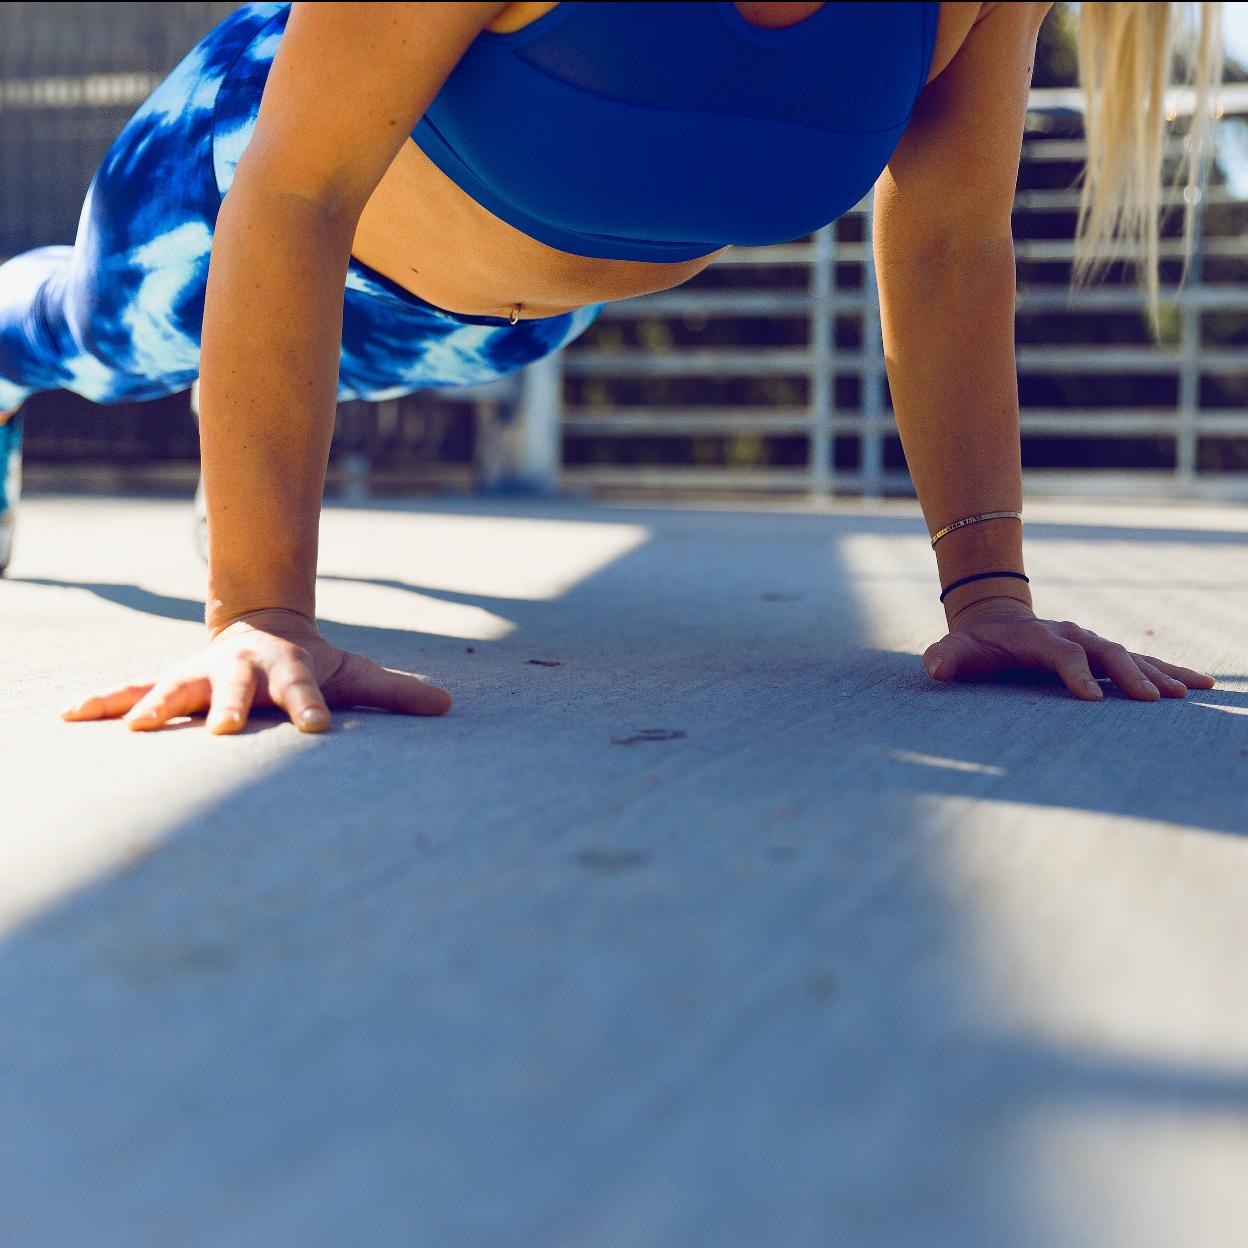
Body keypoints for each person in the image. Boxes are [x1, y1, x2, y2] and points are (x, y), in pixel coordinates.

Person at [0, 1, 1221, 735]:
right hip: (231, 197)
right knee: (93, 340)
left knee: (312, 393)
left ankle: (249, 452)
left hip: (495, 330)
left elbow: (952, 244)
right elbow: (302, 186)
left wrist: (989, 597)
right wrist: (259, 615)